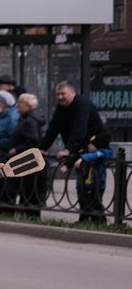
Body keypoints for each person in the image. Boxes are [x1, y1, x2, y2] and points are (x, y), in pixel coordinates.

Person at [41, 82, 112, 223]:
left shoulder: (82, 104)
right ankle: (84, 218)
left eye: (63, 94)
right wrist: (43, 147)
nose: (60, 97)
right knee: (81, 186)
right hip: (80, 151)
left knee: (92, 187)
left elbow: (79, 129)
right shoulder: (61, 108)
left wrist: (69, 149)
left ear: (73, 93)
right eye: (58, 94)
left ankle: (98, 220)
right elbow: (53, 128)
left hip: (94, 149)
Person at [7, 93, 47, 217]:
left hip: (29, 160)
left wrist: (17, 149)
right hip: (30, 160)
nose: (17, 105)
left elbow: (33, 139)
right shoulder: (27, 119)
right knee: (28, 187)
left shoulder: (29, 121)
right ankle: (28, 212)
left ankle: (30, 213)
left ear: (28, 105)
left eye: (20, 103)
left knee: (30, 187)